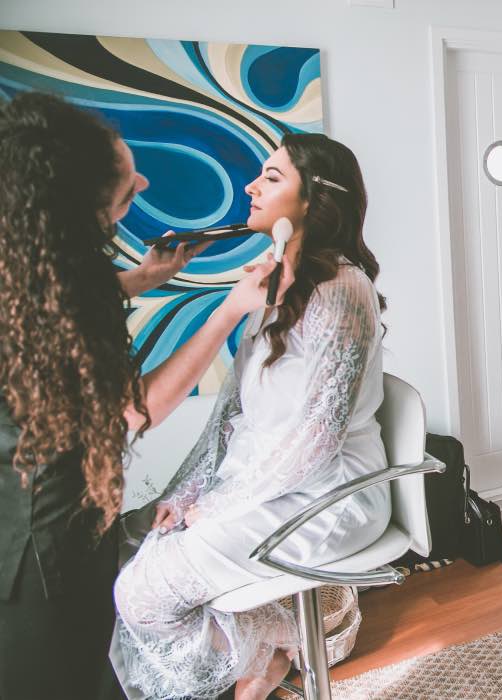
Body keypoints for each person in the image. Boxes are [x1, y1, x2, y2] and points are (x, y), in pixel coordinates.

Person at [0, 92, 288, 699]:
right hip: (40, 549)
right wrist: (228, 311)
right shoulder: (63, 309)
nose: (146, 180)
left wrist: (144, 278)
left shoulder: (26, 271)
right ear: (77, 212)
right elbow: (136, 410)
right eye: (128, 186)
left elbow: (63, 292)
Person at [113, 132, 389, 700]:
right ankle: (270, 656)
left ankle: (288, 644)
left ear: (313, 199)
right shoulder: (269, 287)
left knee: (142, 592)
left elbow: (316, 438)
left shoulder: (342, 290)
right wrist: (185, 491)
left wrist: (213, 505)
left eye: (271, 176)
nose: (249, 185)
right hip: (264, 484)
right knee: (132, 540)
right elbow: (230, 413)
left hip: (330, 493)